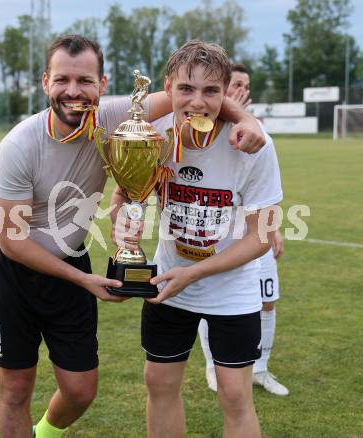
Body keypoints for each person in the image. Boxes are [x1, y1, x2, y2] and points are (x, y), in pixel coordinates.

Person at [0, 34, 267, 438]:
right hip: (14, 271)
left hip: (72, 258)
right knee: (16, 388)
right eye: (62, 80)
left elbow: (197, 96)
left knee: (80, 390)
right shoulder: (19, 145)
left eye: (85, 81)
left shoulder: (118, 117)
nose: (73, 91)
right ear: (45, 82)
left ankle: (45, 431)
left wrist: (248, 120)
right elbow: (12, 240)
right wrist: (84, 280)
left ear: (103, 84)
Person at [111, 40, 282, 438]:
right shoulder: (151, 134)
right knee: (159, 382)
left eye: (210, 91)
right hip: (170, 284)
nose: (197, 102)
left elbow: (260, 238)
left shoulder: (255, 145)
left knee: (235, 396)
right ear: (168, 88)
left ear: (226, 94)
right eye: (186, 88)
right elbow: (122, 196)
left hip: (232, 291)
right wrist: (121, 225)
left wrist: (197, 272)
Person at [198, 63, 289, 396]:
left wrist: (273, 229)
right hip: (218, 238)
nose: (241, 91)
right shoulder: (205, 129)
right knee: (210, 302)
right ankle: (212, 366)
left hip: (254, 235)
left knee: (267, 298)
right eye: (235, 84)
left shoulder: (258, 132)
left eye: (245, 85)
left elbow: (267, 188)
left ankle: (261, 369)